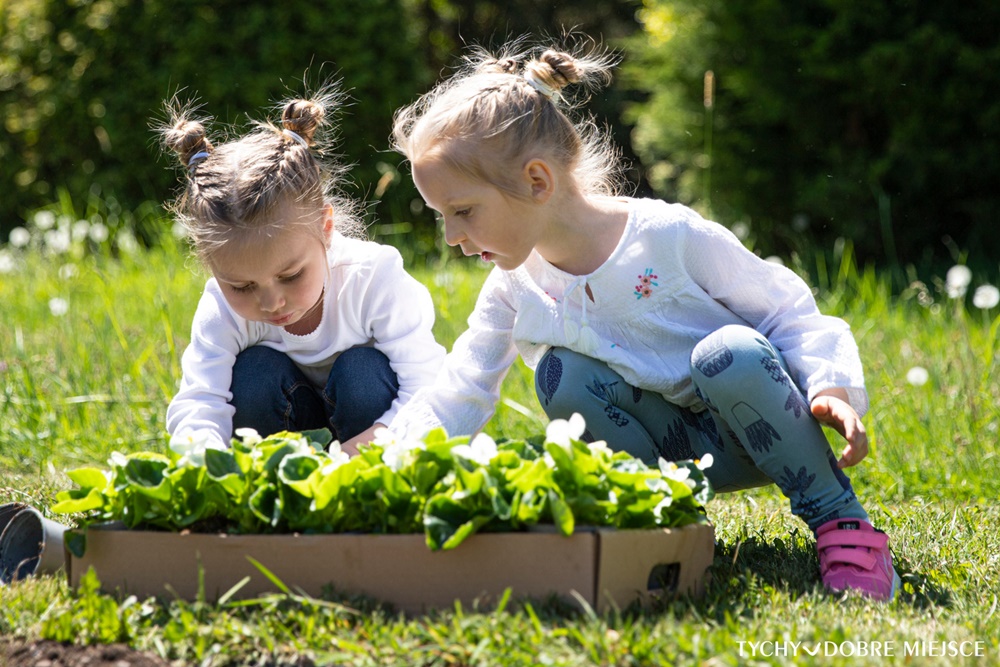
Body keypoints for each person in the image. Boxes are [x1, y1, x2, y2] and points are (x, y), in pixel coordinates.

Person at [388, 42, 900, 600]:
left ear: (537, 182)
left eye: (462, 212)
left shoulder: (669, 237)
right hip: (669, 449)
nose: (451, 237)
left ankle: (841, 523)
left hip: (758, 428)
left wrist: (828, 384)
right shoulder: (514, 288)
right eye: (443, 217)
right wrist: (395, 464)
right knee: (560, 372)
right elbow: (463, 383)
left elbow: (785, 308)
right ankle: (662, 523)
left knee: (727, 351)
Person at [160, 88, 445, 455]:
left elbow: (428, 388)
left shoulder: (372, 278)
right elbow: (199, 402)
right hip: (279, 440)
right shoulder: (222, 306)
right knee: (252, 373)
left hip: (377, 441)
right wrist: (210, 462)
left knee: (362, 371)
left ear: (326, 229)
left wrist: (347, 459)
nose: (271, 301)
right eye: (242, 286)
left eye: (291, 275)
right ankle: (275, 486)